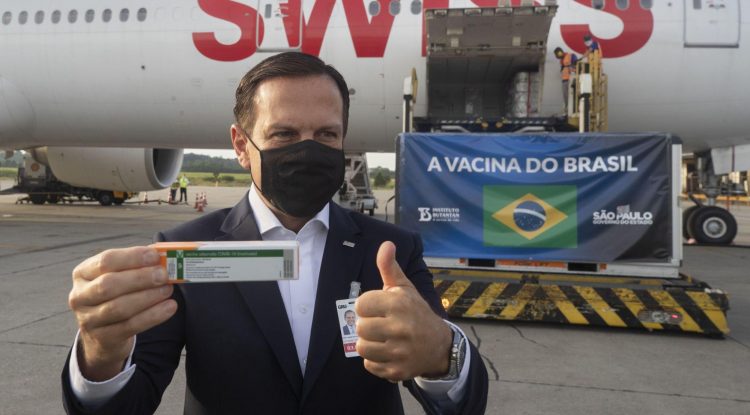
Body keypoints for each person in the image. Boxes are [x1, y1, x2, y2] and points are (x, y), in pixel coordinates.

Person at [61, 52, 488, 414]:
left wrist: (442, 351)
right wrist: (101, 352)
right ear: (241, 146)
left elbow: (461, 402)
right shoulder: (185, 252)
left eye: (326, 134)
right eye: (284, 134)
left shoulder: (391, 251)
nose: (308, 149)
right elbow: (125, 405)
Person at [554, 47, 578, 113]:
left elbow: (576, 65)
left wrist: (572, 66)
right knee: (566, 96)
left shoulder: (571, 56)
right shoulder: (561, 60)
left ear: (559, 53)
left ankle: (573, 109)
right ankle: (568, 109)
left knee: (572, 95)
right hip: (565, 80)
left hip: (571, 79)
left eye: (557, 55)